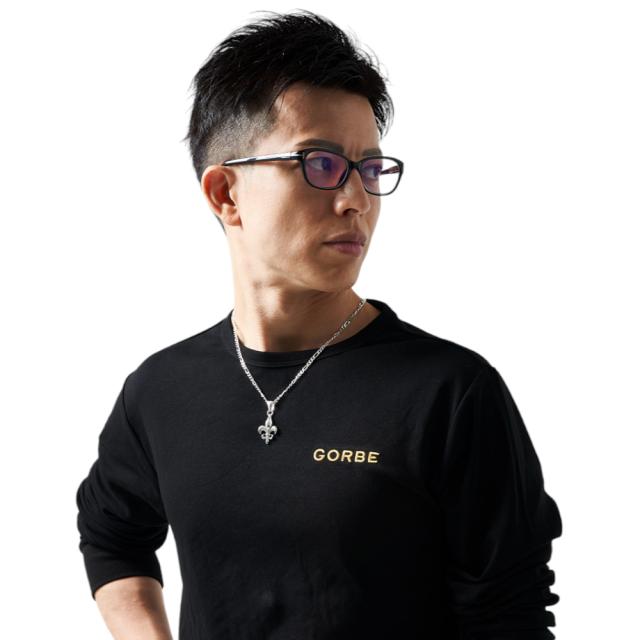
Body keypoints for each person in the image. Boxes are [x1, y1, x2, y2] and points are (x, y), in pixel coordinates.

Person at [75, 9, 562, 640]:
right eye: (321, 164)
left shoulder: (450, 393)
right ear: (226, 194)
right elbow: (111, 534)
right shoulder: (161, 390)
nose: (356, 199)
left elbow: (511, 617)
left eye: (370, 169)